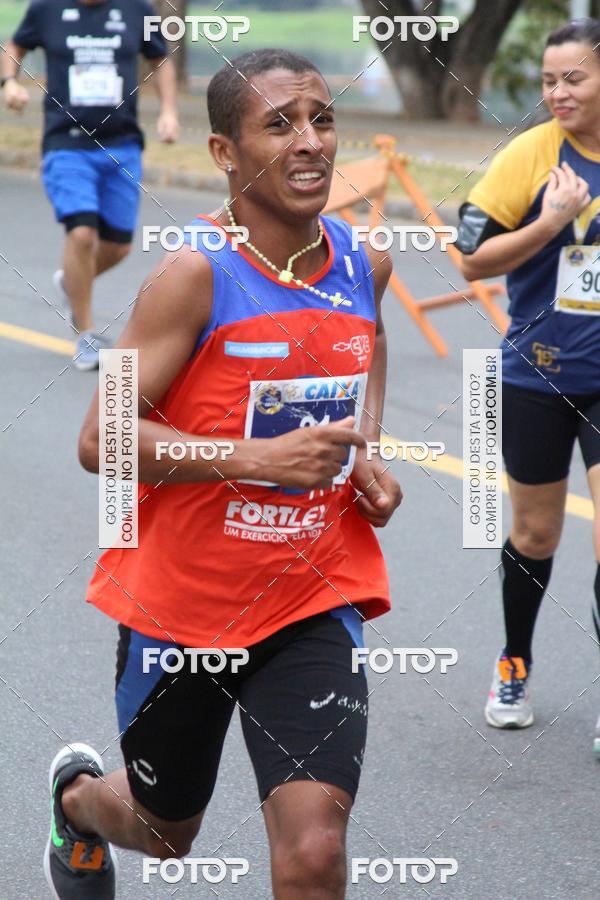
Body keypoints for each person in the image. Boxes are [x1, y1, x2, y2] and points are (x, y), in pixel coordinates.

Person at [43, 49, 401, 899]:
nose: (310, 141)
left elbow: (370, 342)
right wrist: (255, 459)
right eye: (279, 124)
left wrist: (365, 448)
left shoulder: (364, 263)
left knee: (315, 853)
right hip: (182, 610)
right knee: (167, 835)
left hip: (311, 595)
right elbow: (102, 438)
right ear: (223, 154)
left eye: (321, 118)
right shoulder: (190, 275)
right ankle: (79, 804)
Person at [457, 19, 600, 738]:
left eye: (573, 78)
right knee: (536, 534)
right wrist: (550, 222)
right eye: (549, 81)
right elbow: (473, 261)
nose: (557, 93)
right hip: (538, 375)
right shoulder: (531, 155)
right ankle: (514, 659)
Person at [1, 0, 179, 371]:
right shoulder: (46, 9)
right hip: (67, 144)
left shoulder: (137, 11)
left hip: (122, 145)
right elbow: (14, 46)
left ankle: (71, 282)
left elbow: (159, 59)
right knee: (82, 234)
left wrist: (168, 112)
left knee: (118, 246)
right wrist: (10, 82)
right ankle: (85, 335)